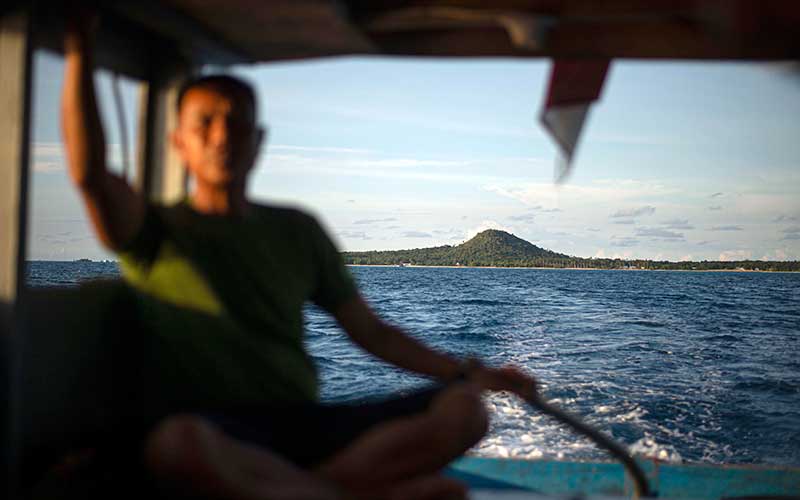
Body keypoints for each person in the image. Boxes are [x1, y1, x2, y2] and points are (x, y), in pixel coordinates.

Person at [60, 14, 536, 499]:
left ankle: (311, 490)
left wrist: (466, 373)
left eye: (237, 123)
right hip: (214, 428)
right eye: (205, 124)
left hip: (302, 421)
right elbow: (91, 174)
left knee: (465, 410)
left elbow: (371, 332)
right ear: (178, 142)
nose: (222, 136)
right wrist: (80, 49)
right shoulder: (152, 230)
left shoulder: (296, 229)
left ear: (258, 141)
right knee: (175, 445)